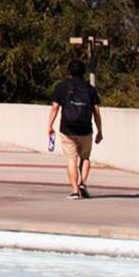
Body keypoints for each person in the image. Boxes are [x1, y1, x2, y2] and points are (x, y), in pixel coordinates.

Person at [47, 60, 103, 199]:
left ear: (69, 72)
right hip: (85, 129)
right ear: (83, 72)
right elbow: (96, 111)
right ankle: (83, 183)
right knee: (85, 157)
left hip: (67, 129)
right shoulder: (90, 89)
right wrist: (99, 131)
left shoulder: (62, 87)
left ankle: (75, 190)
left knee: (71, 159)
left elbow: (55, 107)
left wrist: (50, 125)